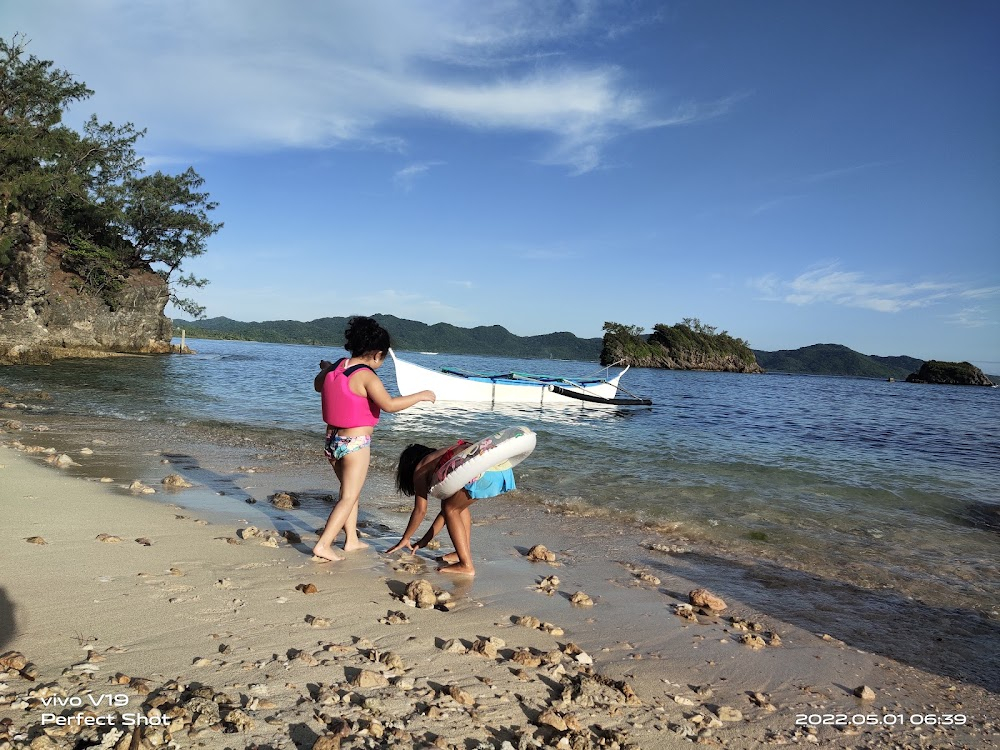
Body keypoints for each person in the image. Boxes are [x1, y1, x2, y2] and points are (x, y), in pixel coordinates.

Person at [312, 316, 434, 562]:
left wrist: (327, 369)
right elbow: (388, 404)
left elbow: (318, 386)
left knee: (350, 492)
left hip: (332, 440)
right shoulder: (366, 375)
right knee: (348, 495)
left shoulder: (337, 366)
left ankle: (352, 540)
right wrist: (420, 395)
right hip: (355, 443)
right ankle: (324, 545)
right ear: (378, 354)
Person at [387, 441, 516, 576]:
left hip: (484, 473)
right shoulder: (442, 457)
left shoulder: (420, 468)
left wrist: (406, 538)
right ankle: (460, 553)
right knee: (455, 508)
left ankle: (466, 565)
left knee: (452, 509)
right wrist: (424, 541)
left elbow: (420, 510)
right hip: (502, 468)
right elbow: (445, 513)